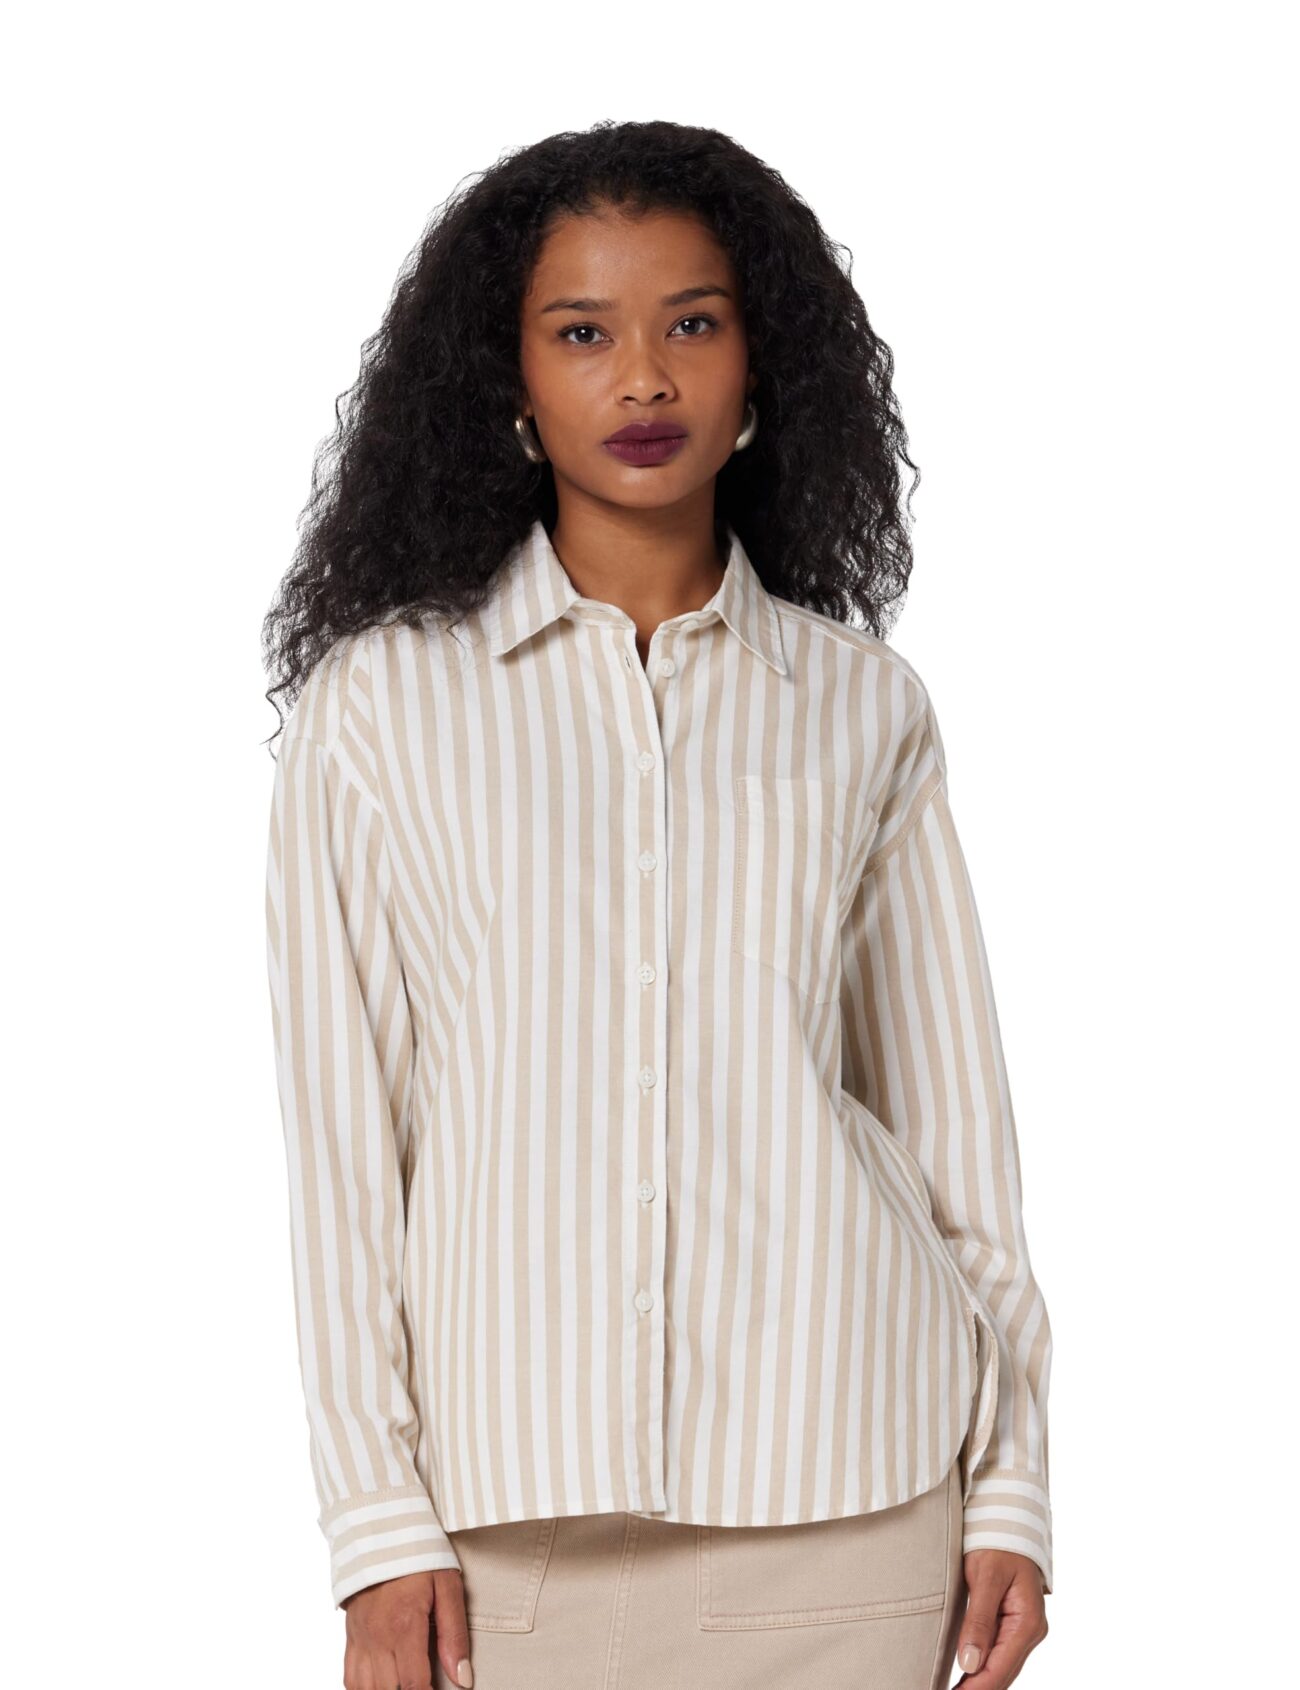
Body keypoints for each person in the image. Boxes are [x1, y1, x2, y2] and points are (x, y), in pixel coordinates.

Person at [262, 119, 1053, 1690]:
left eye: (693, 323)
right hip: (506, 1539)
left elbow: (954, 1131)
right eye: (583, 333)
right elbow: (346, 1147)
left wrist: (1013, 1482)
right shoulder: (380, 708)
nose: (643, 378)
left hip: (856, 1506)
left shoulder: (859, 707)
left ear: (762, 364)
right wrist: (375, 1521)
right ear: (507, 377)